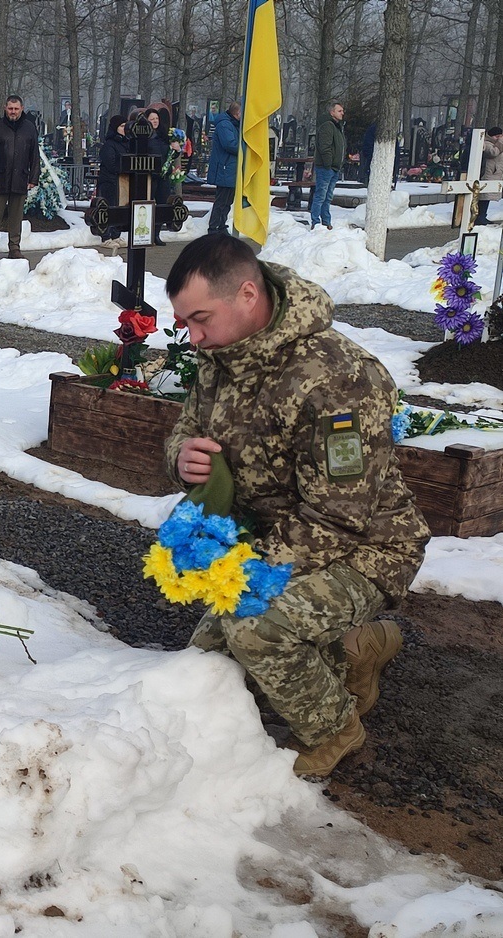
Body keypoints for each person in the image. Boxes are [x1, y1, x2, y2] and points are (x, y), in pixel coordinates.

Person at [165, 233, 429, 778]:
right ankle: (354, 654)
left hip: (366, 549)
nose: (193, 338)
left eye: (200, 318)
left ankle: (337, 728)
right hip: (283, 537)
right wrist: (181, 457)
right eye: (184, 323)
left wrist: (240, 566)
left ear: (245, 294)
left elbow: (340, 515)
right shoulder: (224, 354)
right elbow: (187, 428)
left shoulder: (337, 378)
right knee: (207, 658)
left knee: (256, 630)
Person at [0, 95, 39, 260]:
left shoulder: (29, 128)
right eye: (10, 108)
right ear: (5, 108)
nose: (13, 112)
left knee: (16, 217)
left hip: (20, 177)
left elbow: (34, 154)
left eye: (16, 109)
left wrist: (33, 178)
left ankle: (14, 247)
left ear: (21, 108)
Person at [310, 101, 346, 230]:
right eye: (339, 111)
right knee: (321, 195)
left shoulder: (337, 127)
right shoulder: (328, 126)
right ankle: (315, 221)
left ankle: (326, 221)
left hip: (334, 168)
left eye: (342, 111)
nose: (342, 113)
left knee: (328, 196)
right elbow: (325, 147)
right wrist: (328, 164)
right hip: (327, 168)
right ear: (332, 112)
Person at [206, 102, 240, 233]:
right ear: (236, 113)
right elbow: (230, 144)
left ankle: (221, 224)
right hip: (225, 167)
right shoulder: (225, 125)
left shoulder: (231, 124)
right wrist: (245, 149)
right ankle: (213, 227)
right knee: (221, 200)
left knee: (228, 201)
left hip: (230, 168)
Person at [96, 114, 127, 246]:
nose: (124, 129)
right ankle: (105, 236)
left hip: (122, 182)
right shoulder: (109, 144)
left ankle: (116, 234)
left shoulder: (126, 143)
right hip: (109, 181)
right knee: (108, 209)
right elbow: (111, 164)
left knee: (118, 209)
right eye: (121, 126)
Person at [144, 106, 171, 245]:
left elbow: (169, 155)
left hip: (163, 175)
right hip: (150, 175)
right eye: (152, 119)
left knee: (161, 204)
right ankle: (145, 233)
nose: (155, 121)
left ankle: (156, 233)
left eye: (156, 119)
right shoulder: (145, 136)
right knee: (147, 204)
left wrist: (176, 150)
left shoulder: (163, 135)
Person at [477, 126, 502, 226]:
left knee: (488, 196)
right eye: (497, 136)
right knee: (484, 196)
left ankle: (483, 215)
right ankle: (480, 216)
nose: (499, 138)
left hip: (496, 173)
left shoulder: (498, 144)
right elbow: (493, 153)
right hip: (489, 173)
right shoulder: (486, 143)